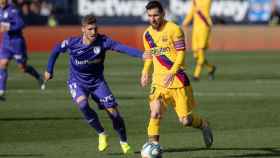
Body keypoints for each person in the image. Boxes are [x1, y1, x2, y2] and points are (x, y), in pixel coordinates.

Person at [44, 14, 144, 154]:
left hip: (97, 83)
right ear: (83, 29)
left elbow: (121, 47)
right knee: (83, 104)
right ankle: (101, 133)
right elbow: (55, 49)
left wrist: (142, 55)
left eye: (95, 28)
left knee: (114, 114)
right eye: (90, 29)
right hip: (77, 82)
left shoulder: (103, 41)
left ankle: (123, 142)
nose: (93, 32)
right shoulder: (72, 43)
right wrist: (49, 69)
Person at [141, 1, 213, 148]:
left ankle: (204, 124)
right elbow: (149, 55)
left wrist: (172, 72)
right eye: (149, 16)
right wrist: (145, 71)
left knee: (185, 120)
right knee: (154, 113)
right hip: (158, 82)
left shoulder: (174, 30)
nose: (153, 19)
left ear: (163, 14)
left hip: (178, 80)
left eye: (155, 15)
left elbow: (181, 54)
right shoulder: (147, 34)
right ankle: (153, 147)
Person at [0, 0, 44, 101]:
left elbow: (21, 24)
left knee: (23, 68)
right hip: (6, 42)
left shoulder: (13, 10)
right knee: (3, 64)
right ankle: (1, 92)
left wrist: (8, 27)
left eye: (3, 2)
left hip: (17, 43)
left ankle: (38, 76)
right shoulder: (1, 10)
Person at [182, 0, 216, 81]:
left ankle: (196, 75)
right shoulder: (194, 1)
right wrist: (185, 22)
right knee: (196, 55)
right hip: (196, 29)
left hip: (204, 27)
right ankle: (211, 68)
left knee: (200, 52)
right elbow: (192, 11)